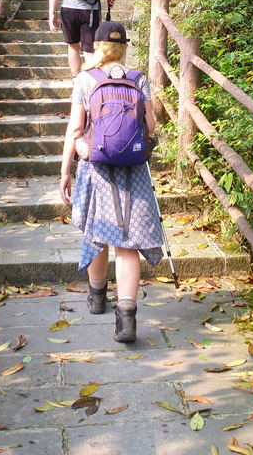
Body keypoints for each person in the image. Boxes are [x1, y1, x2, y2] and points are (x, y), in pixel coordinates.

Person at [59, 21, 161, 343]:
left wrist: (64, 171)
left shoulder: (85, 80)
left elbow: (75, 130)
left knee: (97, 231)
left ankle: (97, 295)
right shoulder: (139, 79)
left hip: (96, 167)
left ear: (97, 46)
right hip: (133, 167)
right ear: (123, 47)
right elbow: (152, 126)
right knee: (127, 242)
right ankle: (127, 317)